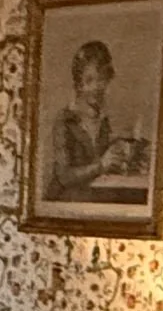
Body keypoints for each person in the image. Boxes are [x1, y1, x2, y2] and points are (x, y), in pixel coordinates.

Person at [47, 37, 148, 201]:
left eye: (102, 80)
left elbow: (99, 159)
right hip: (64, 202)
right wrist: (101, 166)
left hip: (92, 198)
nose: (97, 87)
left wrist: (128, 158)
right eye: (89, 80)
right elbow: (64, 176)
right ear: (79, 85)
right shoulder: (65, 120)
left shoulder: (102, 121)